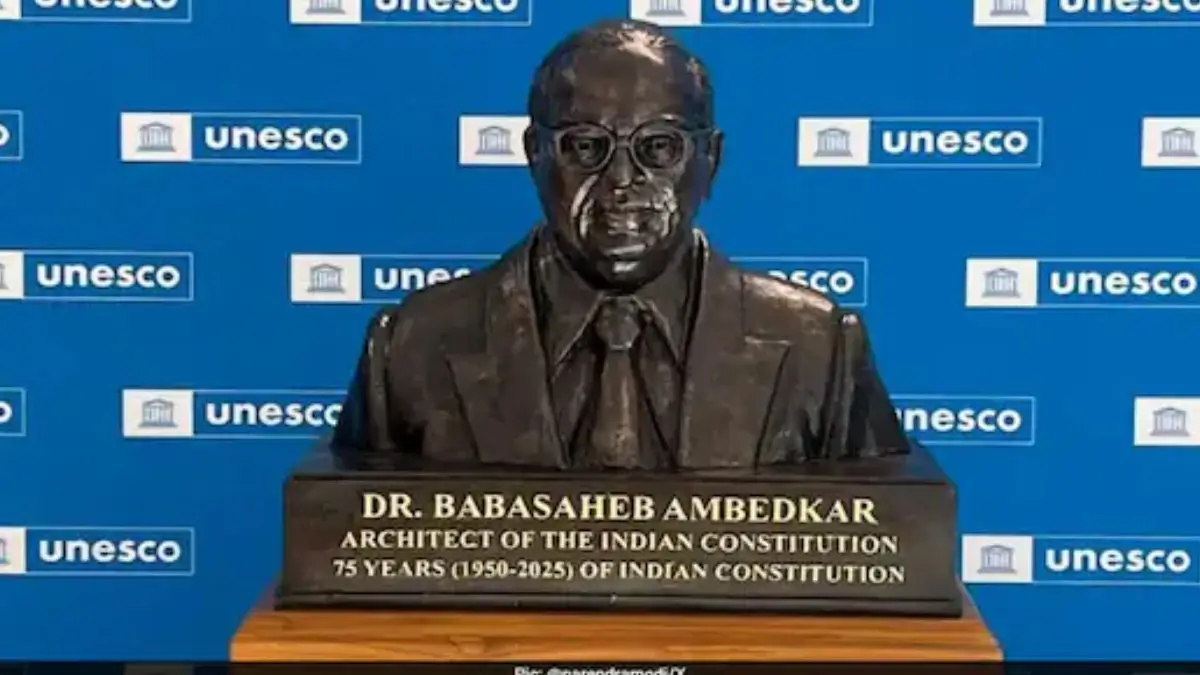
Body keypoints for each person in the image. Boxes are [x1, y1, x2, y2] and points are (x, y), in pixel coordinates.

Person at [332, 19, 909, 470]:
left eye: (660, 148)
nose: (622, 183)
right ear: (534, 154)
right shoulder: (413, 344)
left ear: (712, 161)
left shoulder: (820, 347)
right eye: (586, 147)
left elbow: (889, 552)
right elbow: (348, 547)